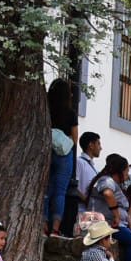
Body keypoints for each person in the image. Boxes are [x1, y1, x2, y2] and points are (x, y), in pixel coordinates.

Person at [46, 77, 77, 238]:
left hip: (47, 151)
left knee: (45, 190)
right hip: (65, 155)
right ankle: (55, 229)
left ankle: (43, 225)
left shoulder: (46, 109)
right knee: (60, 192)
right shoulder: (70, 113)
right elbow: (75, 138)